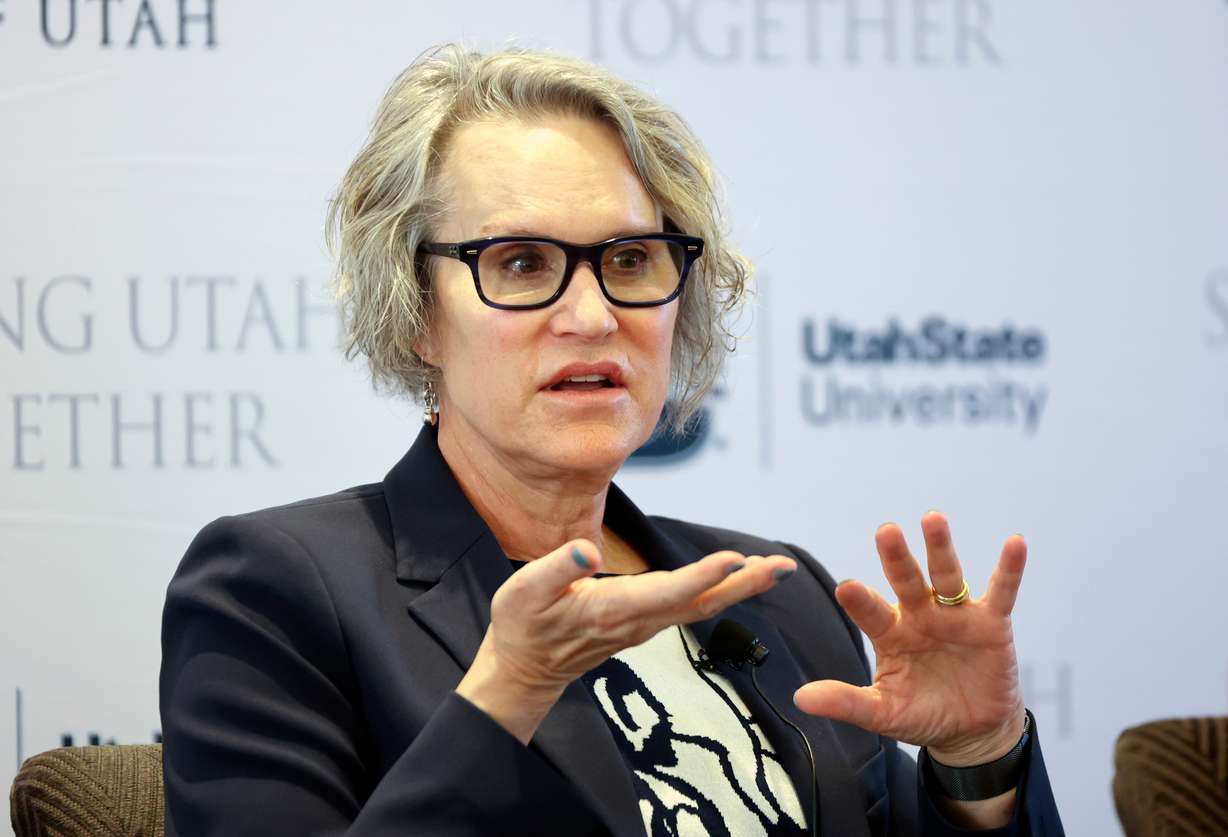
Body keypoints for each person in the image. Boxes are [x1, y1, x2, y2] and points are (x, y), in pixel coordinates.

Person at [159, 45, 1064, 836]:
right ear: (416, 316)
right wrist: (510, 685)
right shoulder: (277, 590)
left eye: (631, 260)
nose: (591, 316)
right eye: (520, 262)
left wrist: (977, 762)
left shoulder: (777, 594)